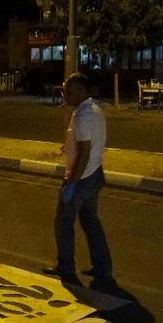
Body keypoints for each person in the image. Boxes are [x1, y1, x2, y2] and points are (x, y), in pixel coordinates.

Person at [43, 73, 113, 287]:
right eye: (64, 91)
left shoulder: (83, 115)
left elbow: (84, 153)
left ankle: (66, 266)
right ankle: (103, 268)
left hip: (81, 178)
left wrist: (71, 185)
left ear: (82, 91)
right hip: (94, 175)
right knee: (91, 222)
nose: (65, 95)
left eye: (70, 91)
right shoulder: (94, 110)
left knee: (63, 221)